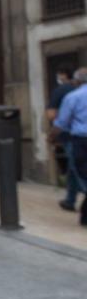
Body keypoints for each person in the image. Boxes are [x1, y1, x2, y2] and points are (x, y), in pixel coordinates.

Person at [50, 67, 87, 227]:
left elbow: (61, 122)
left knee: (81, 174)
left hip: (80, 140)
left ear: (77, 81)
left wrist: (52, 137)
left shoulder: (72, 97)